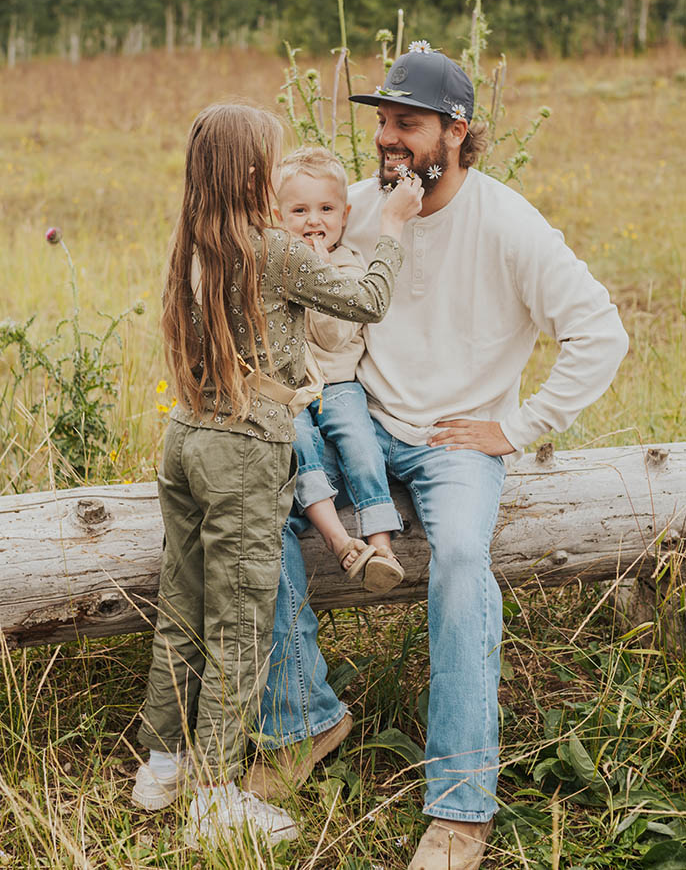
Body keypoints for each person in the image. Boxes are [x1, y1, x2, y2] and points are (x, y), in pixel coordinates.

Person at [244, 48, 629, 869]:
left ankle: (460, 806)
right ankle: (304, 717)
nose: (386, 138)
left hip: (460, 441)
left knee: (459, 555)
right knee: (249, 502)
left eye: (405, 124)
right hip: (359, 419)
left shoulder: (507, 223)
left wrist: (519, 426)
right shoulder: (356, 204)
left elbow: (602, 330)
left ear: (455, 131)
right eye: (382, 121)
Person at [130, 102, 423, 848]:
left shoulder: (194, 242)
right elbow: (368, 300)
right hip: (241, 449)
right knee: (241, 621)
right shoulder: (273, 249)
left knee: (183, 600)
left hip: (187, 437)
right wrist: (388, 226)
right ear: (253, 172)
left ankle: (161, 766)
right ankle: (215, 795)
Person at [275, 145, 406, 592]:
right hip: (291, 390)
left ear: (345, 214)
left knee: (361, 446)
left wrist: (323, 273)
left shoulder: (348, 265)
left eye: (326, 208)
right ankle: (337, 539)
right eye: (299, 210)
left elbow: (332, 337)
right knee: (301, 447)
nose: (314, 221)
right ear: (277, 216)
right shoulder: (279, 264)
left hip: (340, 385)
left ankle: (382, 544)